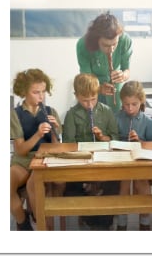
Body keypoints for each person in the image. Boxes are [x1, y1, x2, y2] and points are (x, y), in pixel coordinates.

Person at [62, 73, 120, 230]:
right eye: (84, 100)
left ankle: (103, 222)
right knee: (71, 190)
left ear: (98, 94)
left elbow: (115, 138)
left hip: (104, 161)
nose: (89, 105)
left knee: (114, 184)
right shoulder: (71, 115)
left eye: (93, 99)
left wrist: (102, 136)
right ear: (76, 96)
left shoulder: (106, 111)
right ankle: (89, 217)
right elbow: (68, 144)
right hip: (81, 163)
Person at [10, 68, 65, 230]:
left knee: (33, 185)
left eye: (43, 92)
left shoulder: (50, 111)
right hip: (22, 160)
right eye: (36, 92)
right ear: (24, 92)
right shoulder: (15, 114)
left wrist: (55, 131)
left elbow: (56, 148)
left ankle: (39, 222)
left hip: (43, 159)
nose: (41, 96)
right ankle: (23, 222)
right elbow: (20, 150)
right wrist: (38, 133)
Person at [114, 81, 152, 231]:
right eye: (126, 104)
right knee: (124, 185)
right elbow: (113, 140)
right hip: (122, 160)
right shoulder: (116, 117)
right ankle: (122, 222)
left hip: (141, 161)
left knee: (142, 185)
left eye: (134, 104)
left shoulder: (148, 121)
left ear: (141, 102)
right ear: (122, 102)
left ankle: (144, 221)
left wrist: (140, 141)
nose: (130, 108)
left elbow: (151, 145)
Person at [76, 12, 133, 112]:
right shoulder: (83, 45)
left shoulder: (125, 40)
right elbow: (86, 79)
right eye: (105, 45)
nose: (111, 50)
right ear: (96, 40)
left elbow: (127, 70)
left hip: (116, 89)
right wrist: (99, 88)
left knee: (115, 120)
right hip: (92, 90)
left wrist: (123, 75)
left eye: (114, 44)